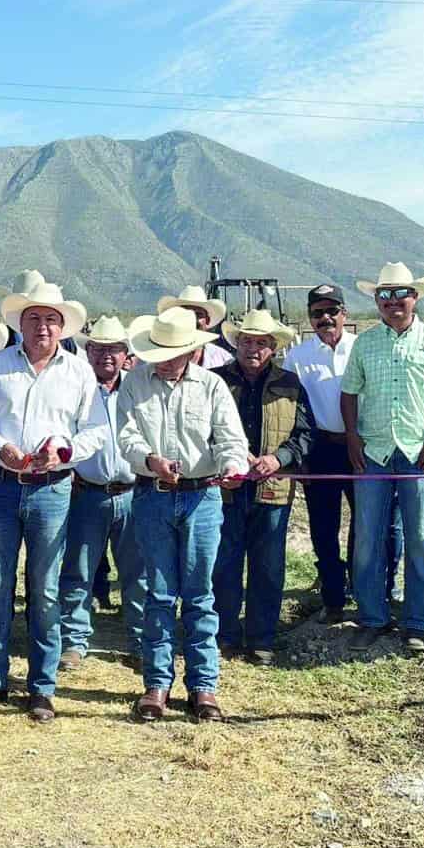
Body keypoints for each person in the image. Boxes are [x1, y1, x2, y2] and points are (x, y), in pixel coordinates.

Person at [0, 282, 104, 722]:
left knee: (44, 590)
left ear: (62, 327)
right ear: (20, 323)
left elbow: (96, 430)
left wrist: (63, 453)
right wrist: (0, 446)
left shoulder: (79, 372)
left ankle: (41, 686)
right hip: (2, 484)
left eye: (51, 319)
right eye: (35, 318)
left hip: (53, 488)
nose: (43, 326)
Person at [117, 308, 249, 721]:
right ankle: (156, 684)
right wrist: (150, 459)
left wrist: (231, 465)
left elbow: (230, 435)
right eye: (163, 352)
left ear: (192, 350)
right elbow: (126, 435)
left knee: (199, 594)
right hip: (152, 495)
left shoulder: (211, 386)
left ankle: (203, 686)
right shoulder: (134, 384)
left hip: (202, 497)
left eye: (177, 352)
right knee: (158, 593)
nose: (170, 359)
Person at [340, 263, 424, 654]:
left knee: (422, 539)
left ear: (415, 298)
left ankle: (417, 622)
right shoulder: (365, 343)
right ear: (376, 300)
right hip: (373, 452)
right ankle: (372, 617)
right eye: (385, 295)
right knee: (367, 539)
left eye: (401, 294)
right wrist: (353, 439)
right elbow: (349, 394)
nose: (393, 302)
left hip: (420, 453)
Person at [213, 308, 312, 666]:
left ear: (273, 348)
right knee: (224, 563)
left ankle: (261, 638)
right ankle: (223, 635)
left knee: (268, 566)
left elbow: (304, 434)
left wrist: (279, 458)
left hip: (273, 487)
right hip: (227, 485)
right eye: (247, 341)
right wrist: (233, 457)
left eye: (261, 343)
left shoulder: (291, 384)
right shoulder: (215, 380)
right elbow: (204, 431)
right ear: (236, 343)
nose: (253, 348)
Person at [60, 316, 137, 670]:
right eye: (100, 348)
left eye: (114, 349)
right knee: (79, 569)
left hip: (134, 492)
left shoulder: (138, 388)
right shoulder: (76, 387)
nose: (107, 355)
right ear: (88, 351)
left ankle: (140, 638)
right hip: (87, 491)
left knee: (139, 572)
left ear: (126, 354)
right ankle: (74, 641)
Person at [286, 284, 361, 620]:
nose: (326, 318)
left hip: (361, 448)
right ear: (310, 317)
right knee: (323, 526)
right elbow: (290, 412)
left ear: (345, 313)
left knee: (368, 524)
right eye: (318, 313)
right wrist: (299, 458)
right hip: (320, 450)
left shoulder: (362, 349)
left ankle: (364, 591)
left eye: (332, 311)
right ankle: (333, 597)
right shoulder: (297, 357)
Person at [157, 287, 233, 369]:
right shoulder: (159, 358)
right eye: (186, 314)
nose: (192, 319)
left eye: (198, 314)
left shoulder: (223, 359)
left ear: (207, 320)